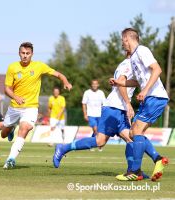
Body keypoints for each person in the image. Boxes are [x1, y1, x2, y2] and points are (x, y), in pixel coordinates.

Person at [53, 51, 163, 180]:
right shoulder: (128, 64)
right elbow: (121, 83)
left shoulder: (130, 65)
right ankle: (63, 148)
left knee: (132, 138)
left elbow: (124, 82)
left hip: (119, 110)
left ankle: (133, 170)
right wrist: (128, 103)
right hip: (113, 108)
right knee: (100, 141)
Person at [0, 42, 72, 169]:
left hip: (31, 107)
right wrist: (16, 97)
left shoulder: (39, 66)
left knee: (25, 128)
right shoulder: (12, 67)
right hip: (14, 107)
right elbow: (7, 89)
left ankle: (11, 159)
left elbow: (57, 74)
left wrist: (65, 81)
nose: (25, 56)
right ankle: (10, 128)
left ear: (32, 54)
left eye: (28, 53)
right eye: (23, 53)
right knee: (3, 134)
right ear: (19, 53)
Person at [111, 28, 169, 181]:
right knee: (134, 133)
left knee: (136, 130)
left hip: (155, 96)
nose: (122, 44)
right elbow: (138, 81)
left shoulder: (142, 50)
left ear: (127, 39)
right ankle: (158, 159)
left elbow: (157, 69)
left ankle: (135, 171)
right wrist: (120, 82)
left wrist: (145, 90)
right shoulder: (134, 57)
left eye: (122, 40)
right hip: (150, 97)